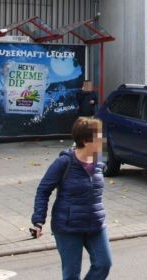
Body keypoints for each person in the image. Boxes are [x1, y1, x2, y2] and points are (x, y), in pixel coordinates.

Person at [31, 117, 112, 280]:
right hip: (68, 227)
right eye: (98, 137)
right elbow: (43, 190)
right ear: (84, 140)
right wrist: (38, 221)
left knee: (104, 264)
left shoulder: (99, 163)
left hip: (95, 224)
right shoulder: (64, 162)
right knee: (71, 275)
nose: (102, 141)